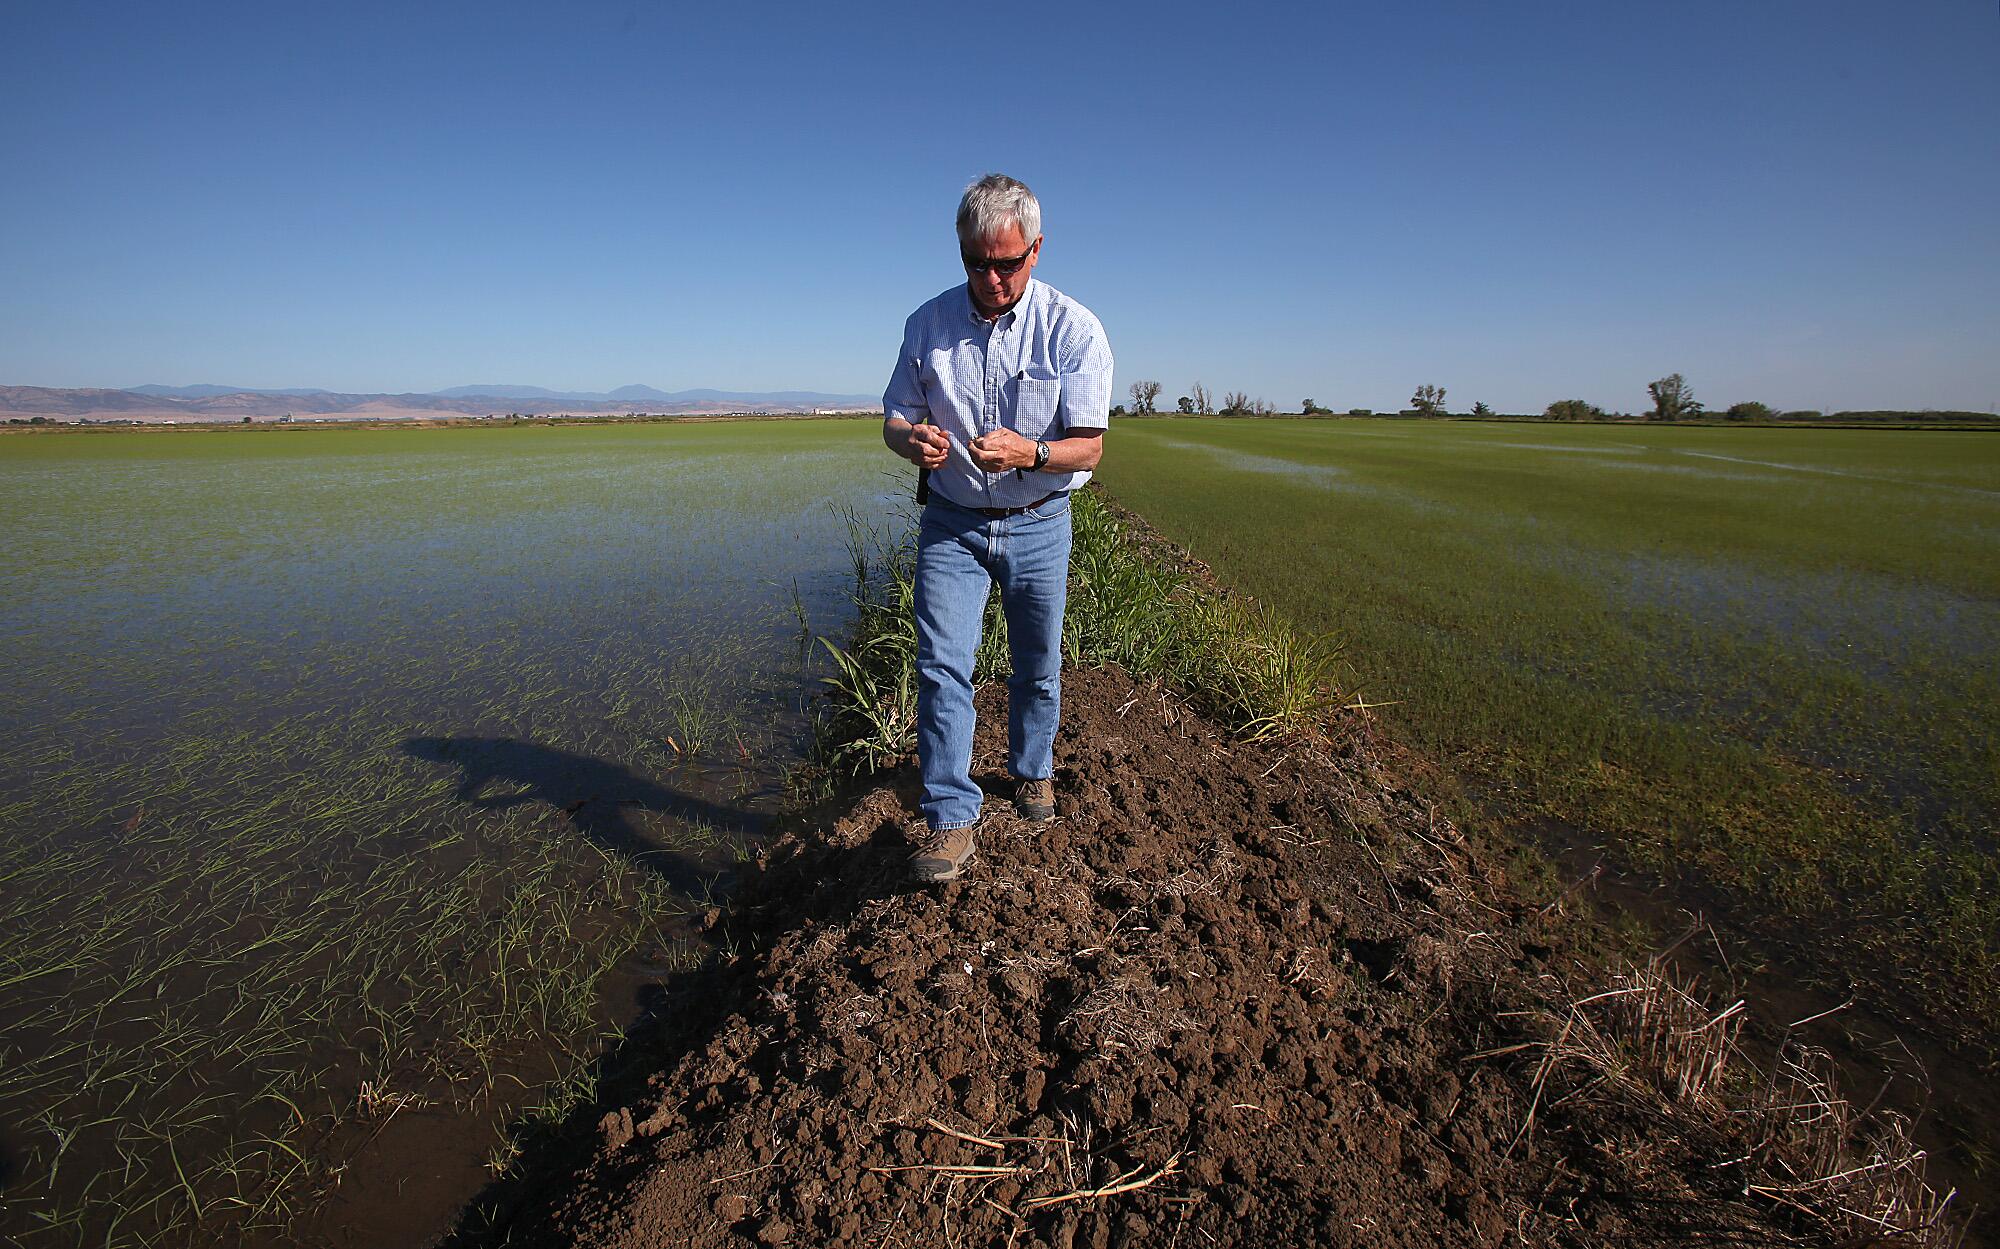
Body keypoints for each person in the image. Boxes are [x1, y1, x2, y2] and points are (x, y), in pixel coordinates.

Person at [882, 173, 1114, 884]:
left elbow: (1090, 447)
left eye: (1007, 263)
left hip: (1040, 519)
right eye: (975, 262)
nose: (990, 277)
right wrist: (909, 439)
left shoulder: (1074, 329)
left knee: (1037, 666)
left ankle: (1033, 769)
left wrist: (1031, 452)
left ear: (1036, 250)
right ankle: (951, 817)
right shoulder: (927, 325)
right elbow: (893, 417)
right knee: (940, 665)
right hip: (952, 521)